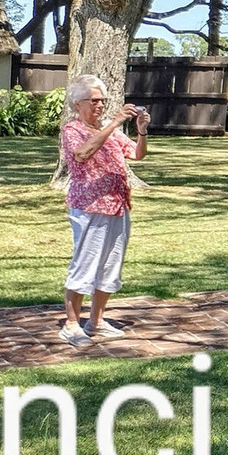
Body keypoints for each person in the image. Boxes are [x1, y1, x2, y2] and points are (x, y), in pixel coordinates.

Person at [59, 75, 149, 347]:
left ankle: (96, 321)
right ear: (78, 103)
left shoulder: (110, 130)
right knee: (85, 265)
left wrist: (141, 131)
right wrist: (115, 122)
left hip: (118, 206)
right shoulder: (72, 130)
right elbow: (83, 153)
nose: (100, 105)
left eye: (103, 100)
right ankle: (71, 324)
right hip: (89, 207)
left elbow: (137, 154)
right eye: (94, 100)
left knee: (110, 267)